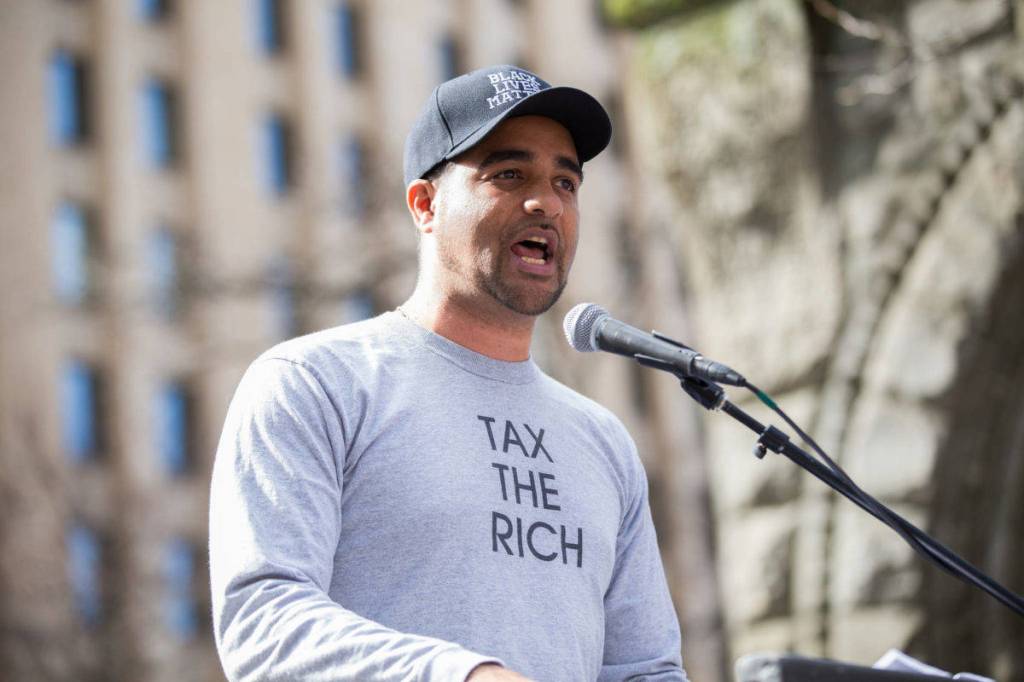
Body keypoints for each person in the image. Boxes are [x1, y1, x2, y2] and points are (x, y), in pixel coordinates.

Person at [209, 64, 687, 682]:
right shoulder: (313, 383)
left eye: (566, 183)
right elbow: (263, 623)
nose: (546, 202)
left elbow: (644, 669)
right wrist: (467, 676)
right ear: (425, 205)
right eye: (508, 175)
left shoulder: (603, 441)